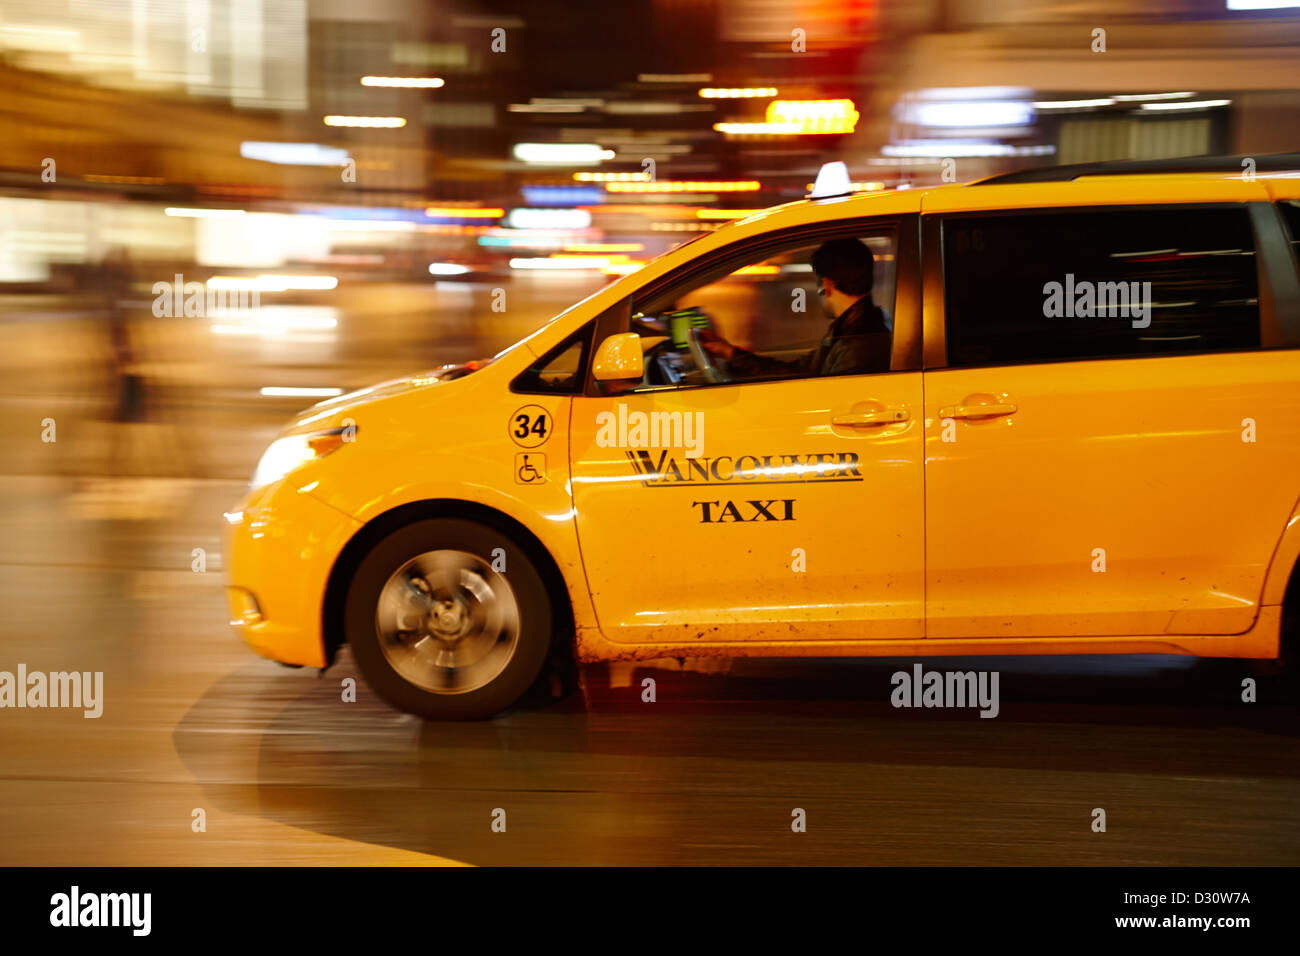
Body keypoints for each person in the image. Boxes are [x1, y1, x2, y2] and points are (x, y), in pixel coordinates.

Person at [698, 237, 891, 379]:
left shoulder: (858, 343)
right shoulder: (854, 330)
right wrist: (729, 353)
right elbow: (798, 371)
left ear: (827, 285)